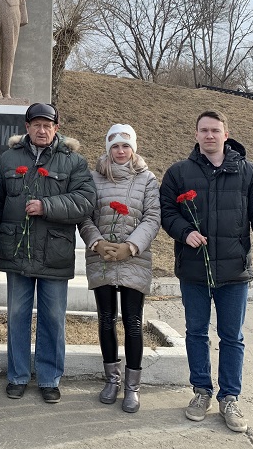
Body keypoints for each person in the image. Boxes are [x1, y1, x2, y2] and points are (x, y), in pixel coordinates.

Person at [160, 110, 253, 433]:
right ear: (196, 134)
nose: (209, 135)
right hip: (194, 270)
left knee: (232, 337)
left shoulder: (249, 173)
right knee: (196, 333)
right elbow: (166, 211)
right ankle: (201, 391)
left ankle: (229, 397)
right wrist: (185, 231)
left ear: (226, 134)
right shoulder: (179, 173)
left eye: (215, 130)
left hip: (234, 272)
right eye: (204, 130)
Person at [0, 102, 96, 403]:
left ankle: (49, 379)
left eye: (48, 125)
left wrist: (47, 206)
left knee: (53, 318)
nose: (42, 130)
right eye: (36, 124)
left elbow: (86, 201)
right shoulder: (8, 159)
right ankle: (18, 376)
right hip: (17, 250)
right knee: (17, 316)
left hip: (54, 252)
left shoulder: (73, 161)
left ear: (56, 128)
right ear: (27, 127)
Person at [78, 124, 161, 413]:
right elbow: (85, 216)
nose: (121, 151)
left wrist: (130, 246)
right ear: (108, 148)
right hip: (101, 257)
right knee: (105, 319)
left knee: (133, 322)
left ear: (133, 148)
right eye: (115, 146)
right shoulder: (93, 178)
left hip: (134, 259)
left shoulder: (147, 179)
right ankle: (111, 380)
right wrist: (97, 242)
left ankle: (133, 387)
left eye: (126, 146)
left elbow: (152, 217)